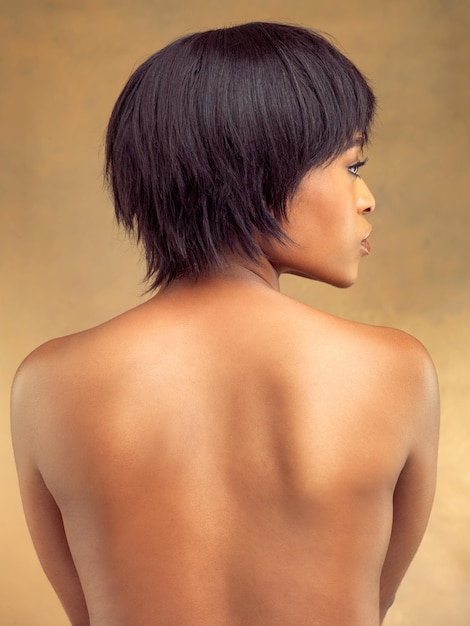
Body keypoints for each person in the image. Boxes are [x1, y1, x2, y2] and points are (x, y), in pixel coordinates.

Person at [11, 22, 439, 626]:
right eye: (351, 164)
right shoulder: (395, 370)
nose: (366, 197)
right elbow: (371, 602)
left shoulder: (47, 385)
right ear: (261, 174)